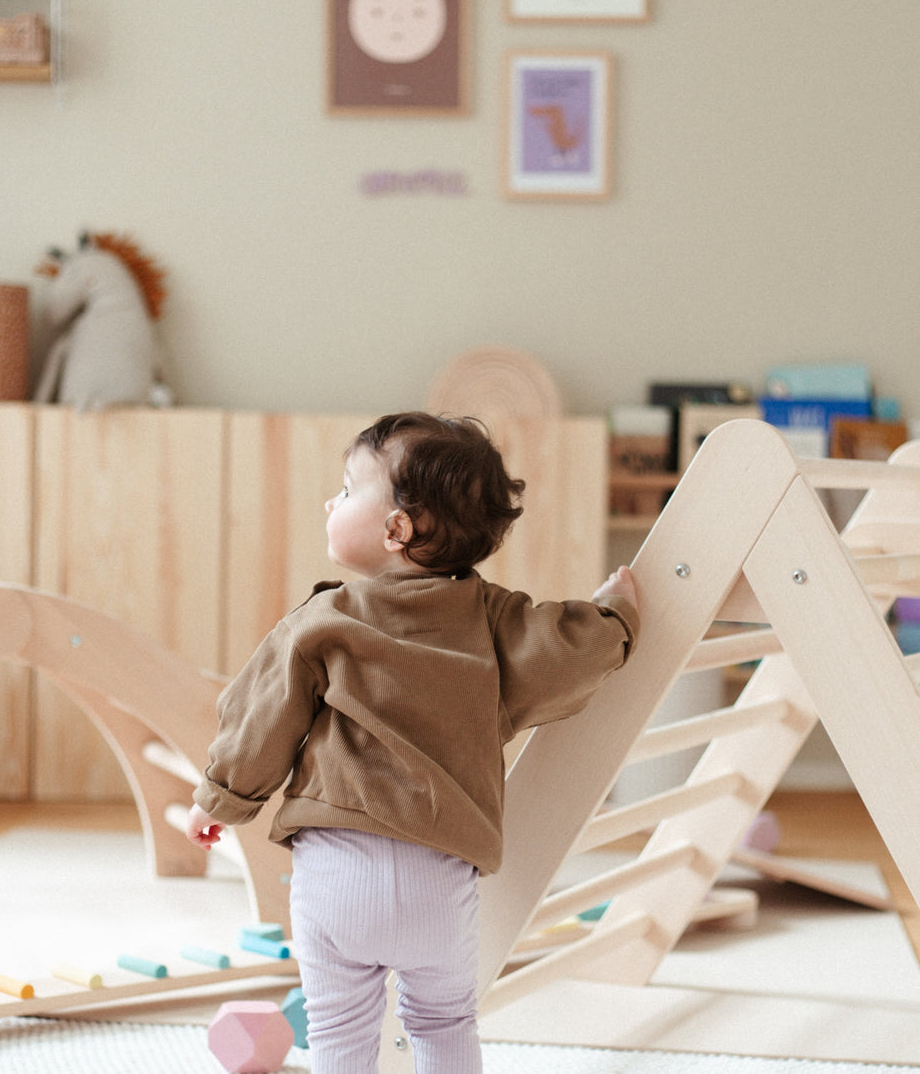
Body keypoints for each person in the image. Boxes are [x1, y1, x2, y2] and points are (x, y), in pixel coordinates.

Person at [185, 411, 638, 1074]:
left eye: (344, 491)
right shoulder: (495, 622)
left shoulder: (323, 621)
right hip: (438, 874)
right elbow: (570, 651)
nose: (329, 501)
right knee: (443, 1024)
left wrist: (218, 801)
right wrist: (616, 613)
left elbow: (261, 719)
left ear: (396, 530)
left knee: (339, 1029)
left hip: (336, 872)